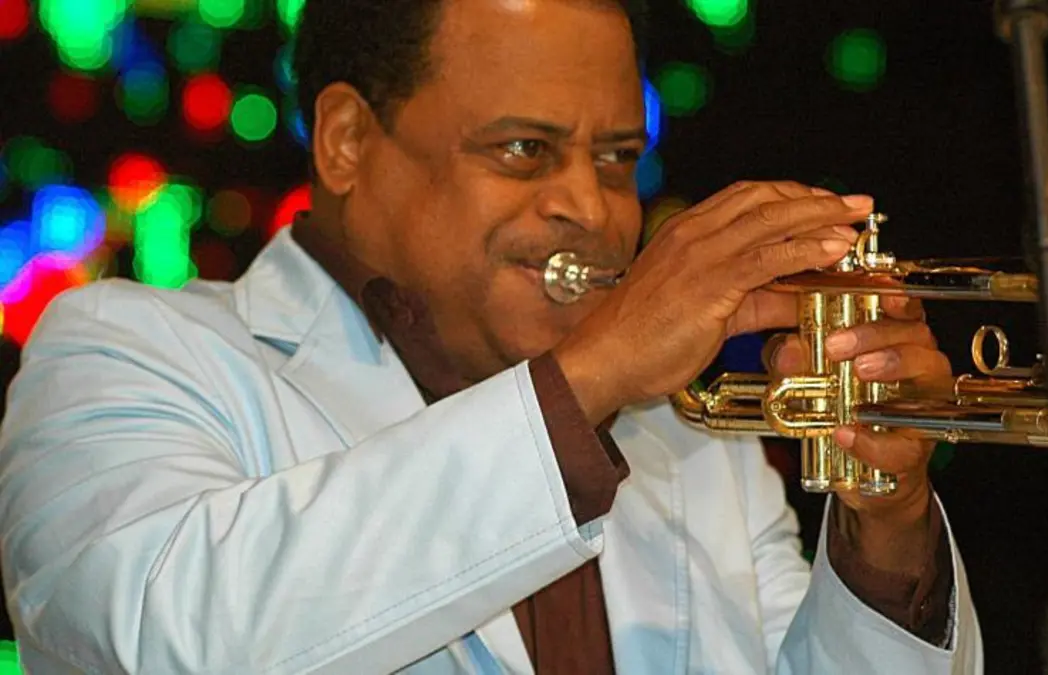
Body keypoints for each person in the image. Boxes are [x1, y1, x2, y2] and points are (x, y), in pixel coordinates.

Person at [0, 0, 982, 672]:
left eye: (617, 158)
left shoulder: (687, 441)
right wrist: (596, 371)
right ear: (345, 141)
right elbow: (167, 641)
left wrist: (884, 526)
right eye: (524, 149)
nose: (590, 207)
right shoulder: (125, 347)